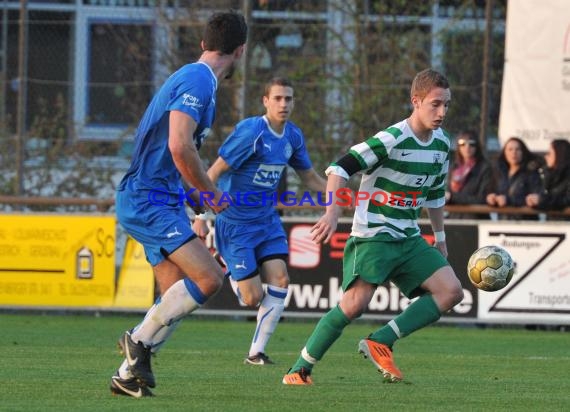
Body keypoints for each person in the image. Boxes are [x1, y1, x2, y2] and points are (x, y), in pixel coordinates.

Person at [282, 68, 464, 385]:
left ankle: (380, 340)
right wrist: (331, 214)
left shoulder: (441, 144)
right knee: (353, 306)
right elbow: (339, 168)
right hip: (374, 236)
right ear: (416, 101)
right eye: (435, 104)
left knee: (450, 292)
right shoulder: (392, 138)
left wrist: (440, 237)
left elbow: (434, 194)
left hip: (408, 238)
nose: (442, 112)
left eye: (446, 105)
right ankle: (299, 370)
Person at [110, 11, 247, 398]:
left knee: (173, 296)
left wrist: (195, 200)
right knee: (209, 278)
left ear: (204, 42)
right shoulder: (197, 80)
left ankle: (126, 375)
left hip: (162, 197)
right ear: (241, 50)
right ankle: (135, 342)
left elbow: (171, 155)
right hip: (147, 198)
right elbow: (178, 145)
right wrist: (210, 194)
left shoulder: (199, 80)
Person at [193, 77, 326, 365]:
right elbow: (213, 172)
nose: (283, 104)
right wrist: (202, 215)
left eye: (288, 99)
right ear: (265, 101)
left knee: (280, 278)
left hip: (266, 221)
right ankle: (224, 258)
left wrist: (341, 195)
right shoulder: (251, 132)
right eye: (277, 98)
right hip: (235, 222)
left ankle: (256, 353)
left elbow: (310, 178)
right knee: (251, 298)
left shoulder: (292, 136)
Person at [485, 137, 542, 218]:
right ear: (504, 152)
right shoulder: (499, 172)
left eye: (518, 149)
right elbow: (491, 191)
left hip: (524, 221)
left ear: (523, 152)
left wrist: (508, 200)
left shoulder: (531, 172)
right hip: (502, 221)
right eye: (510, 149)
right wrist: (491, 198)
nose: (514, 153)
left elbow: (534, 197)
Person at [445, 130, 492, 218]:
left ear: (477, 146)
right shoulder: (454, 167)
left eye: (472, 143)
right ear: (458, 147)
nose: (467, 147)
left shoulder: (485, 168)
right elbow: (448, 195)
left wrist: (453, 197)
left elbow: (482, 199)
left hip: (476, 220)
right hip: (454, 219)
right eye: (462, 143)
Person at [525, 139, 570, 211]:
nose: (546, 157)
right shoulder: (547, 174)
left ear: (559, 154)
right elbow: (544, 196)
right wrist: (534, 201)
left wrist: (542, 200)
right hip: (551, 220)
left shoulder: (567, 175)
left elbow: (566, 199)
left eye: (549, 153)